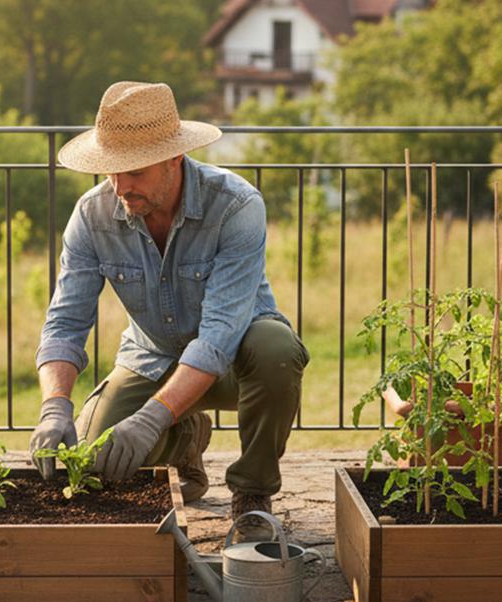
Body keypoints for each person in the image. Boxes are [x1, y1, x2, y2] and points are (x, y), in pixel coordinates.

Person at [28, 81, 307, 535]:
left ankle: (252, 491)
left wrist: (151, 417)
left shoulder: (235, 206)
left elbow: (218, 335)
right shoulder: (92, 214)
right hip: (152, 354)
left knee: (276, 348)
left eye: (134, 171)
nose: (120, 186)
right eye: (109, 171)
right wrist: (54, 405)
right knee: (100, 457)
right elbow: (66, 321)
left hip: (239, 358)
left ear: (174, 157)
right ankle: (185, 440)